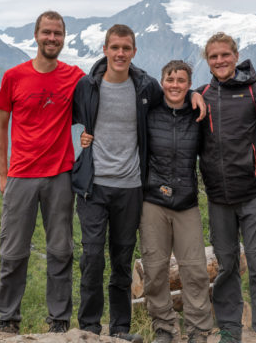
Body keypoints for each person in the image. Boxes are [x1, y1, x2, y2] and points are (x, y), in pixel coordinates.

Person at [72, 25, 205, 342]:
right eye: (114, 47)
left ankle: (120, 329)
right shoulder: (87, 86)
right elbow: (67, 120)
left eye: (126, 48)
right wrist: (82, 143)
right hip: (94, 185)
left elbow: (177, 94)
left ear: (133, 51)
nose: (120, 53)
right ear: (105, 49)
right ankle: (90, 327)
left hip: (131, 187)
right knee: (91, 257)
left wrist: (199, 92)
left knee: (121, 259)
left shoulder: (145, 87)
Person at [0, 10, 85, 334]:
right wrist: (4, 175)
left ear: (63, 38)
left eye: (57, 34)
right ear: (36, 35)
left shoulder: (75, 76)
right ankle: (8, 321)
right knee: (13, 252)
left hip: (60, 174)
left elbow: (103, 95)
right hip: (20, 176)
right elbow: (1, 126)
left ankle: (58, 323)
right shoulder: (14, 77)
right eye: (47, 33)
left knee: (61, 250)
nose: (52, 39)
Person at [198, 32, 256, 343]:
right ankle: (230, 330)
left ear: (236, 57)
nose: (220, 61)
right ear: (207, 61)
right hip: (218, 199)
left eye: (225, 55)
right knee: (226, 268)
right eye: (214, 56)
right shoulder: (203, 95)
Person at [140, 61, 212, 343]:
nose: (175, 85)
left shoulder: (198, 114)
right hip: (153, 200)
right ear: (162, 81)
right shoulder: (149, 112)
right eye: (170, 79)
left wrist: (196, 94)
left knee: (194, 269)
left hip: (186, 202)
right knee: (155, 269)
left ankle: (198, 330)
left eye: (182, 81)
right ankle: (165, 328)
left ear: (188, 83)